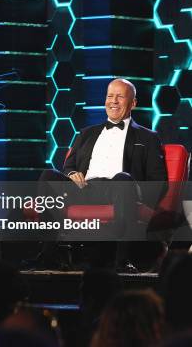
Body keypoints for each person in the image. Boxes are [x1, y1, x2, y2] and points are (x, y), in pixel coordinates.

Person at [37, 78, 167, 271]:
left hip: (121, 189)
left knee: (122, 180)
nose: (113, 101)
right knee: (48, 176)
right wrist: (72, 173)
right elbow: (68, 166)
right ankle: (49, 254)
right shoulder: (86, 133)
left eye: (120, 96)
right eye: (110, 96)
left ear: (133, 103)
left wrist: (139, 195)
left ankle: (122, 259)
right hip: (84, 188)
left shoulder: (148, 137)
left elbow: (159, 181)